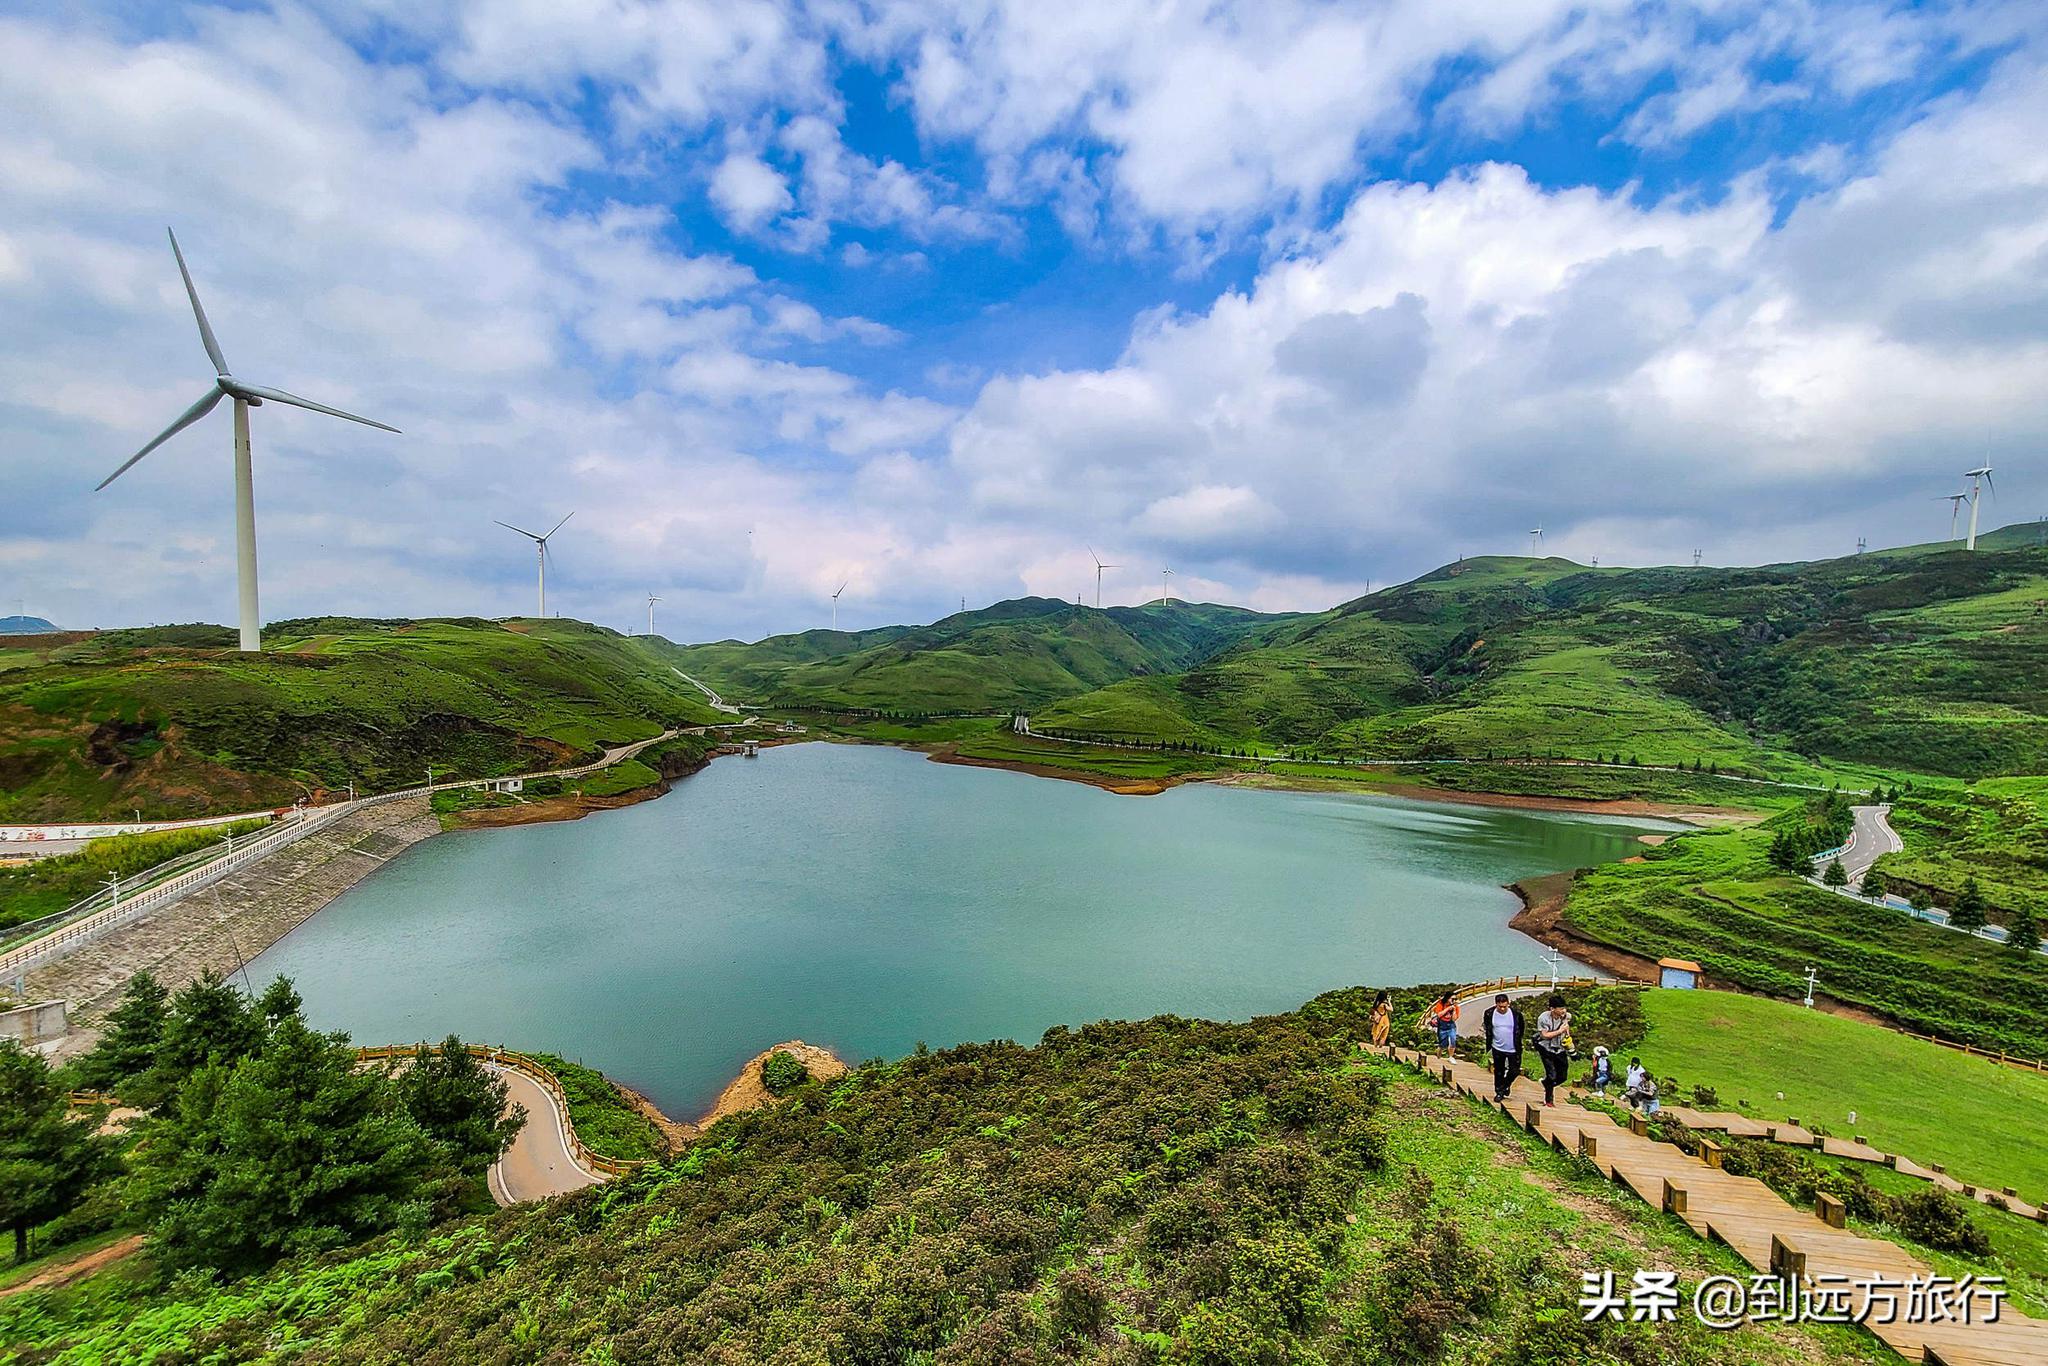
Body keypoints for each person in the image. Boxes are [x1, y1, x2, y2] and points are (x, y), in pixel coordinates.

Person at [1482, 992, 1524, 1102]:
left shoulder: (1516, 1014)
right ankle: (1499, 1091)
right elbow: (1488, 1029)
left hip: (1513, 1048)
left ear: (1508, 1004)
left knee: (1514, 1070)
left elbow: (1521, 1029)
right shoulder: (1489, 1013)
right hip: (1497, 1047)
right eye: (1499, 1006)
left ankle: (1506, 1085)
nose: (1502, 1009)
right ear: (1496, 1004)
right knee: (1499, 1071)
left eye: (1504, 1006)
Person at [1534, 993, 1572, 1106]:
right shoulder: (1543, 1018)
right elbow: (1544, 1035)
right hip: (1546, 1048)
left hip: (1560, 1048)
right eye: (1560, 1009)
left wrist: (1568, 1041)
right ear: (1552, 1009)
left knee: (1563, 1076)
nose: (1563, 1011)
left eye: (1564, 1008)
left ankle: (1546, 1084)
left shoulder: (1565, 1016)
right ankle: (1549, 1100)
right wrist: (1560, 1031)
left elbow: (1566, 1026)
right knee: (1552, 1075)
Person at [1421, 993, 1459, 1057]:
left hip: (1451, 1025)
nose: (1454, 1000)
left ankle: (1451, 1057)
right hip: (1442, 1025)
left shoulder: (1456, 1007)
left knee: (1453, 1040)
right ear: (1447, 998)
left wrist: (1454, 1010)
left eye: (1455, 999)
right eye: (1453, 999)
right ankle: (1438, 1056)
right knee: (1443, 1044)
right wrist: (1448, 1009)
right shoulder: (1441, 1004)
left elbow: (1454, 1019)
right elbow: (1439, 1015)